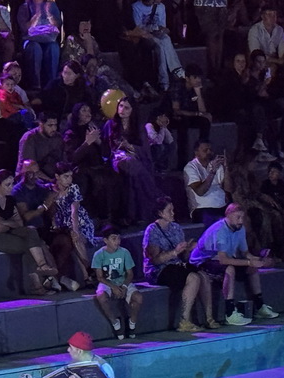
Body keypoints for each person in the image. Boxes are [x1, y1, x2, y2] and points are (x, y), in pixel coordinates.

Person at [189, 203, 278, 325]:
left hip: (221, 259)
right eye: (238, 217)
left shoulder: (240, 228)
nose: (241, 221)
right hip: (202, 262)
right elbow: (223, 260)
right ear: (228, 216)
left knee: (252, 268)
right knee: (229, 269)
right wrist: (248, 261)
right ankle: (230, 313)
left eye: (242, 217)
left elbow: (246, 253)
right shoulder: (221, 231)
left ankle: (259, 306)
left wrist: (260, 260)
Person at [0, 168, 59, 294]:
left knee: (30, 231)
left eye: (12, 184)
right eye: (7, 185)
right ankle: (36, 285)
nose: (11, 188)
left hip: (6, 231)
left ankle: (42, 267)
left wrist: (5, 222)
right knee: (29, 245)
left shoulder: (10, 199)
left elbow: (20, 223)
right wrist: (9, 224)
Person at [143, 195, 217, 332]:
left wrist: (189, 249)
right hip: (159, 270)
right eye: (169, 210)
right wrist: (174, 252)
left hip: (176, 265)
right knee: (193, 278)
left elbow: (184, 258)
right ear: (160, 213)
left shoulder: (176, 228)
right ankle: (184, 320)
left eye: (173, 210)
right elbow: (155, 260)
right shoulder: (152, 230)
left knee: (203, 276)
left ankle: (209, 317)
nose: (173, 213)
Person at [102, 96, 160, 226]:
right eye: (120, 106)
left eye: (126, 107)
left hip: (135, 156)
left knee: (135, 174)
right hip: (117, 157)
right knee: (132, 164)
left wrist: (130, 146)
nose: (122, 110)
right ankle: (155, 195)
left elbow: (145, 150)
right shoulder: (110, 124)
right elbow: (106, 146)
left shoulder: (138, 126)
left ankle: (136, 215)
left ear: (133, 110)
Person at [93, 224, 143, 339]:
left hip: (123, 281)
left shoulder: (124, 252)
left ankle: (132, 323)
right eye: (114, 239)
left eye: (119, 238)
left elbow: (130, 273)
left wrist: (124, 286)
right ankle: (115, 322)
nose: (117, 241)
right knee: (101, 296)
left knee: (139, 298)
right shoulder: (99, 255)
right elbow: (100, 277)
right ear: (106, 240)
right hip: (108, 283)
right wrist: (114, 287)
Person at [132, 0, 184, 93]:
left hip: (157, 34)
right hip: (144, 35)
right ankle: (166, 79)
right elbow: (138, 27)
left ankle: (174, 73)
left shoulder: (160, 7)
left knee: (166, 40)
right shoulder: (136, 6)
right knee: (160, 46)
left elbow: (162, 25)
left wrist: (163, 30)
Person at [183, 139, 230, 226]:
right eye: (205, 150)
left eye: (210, 150)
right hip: (202, 209)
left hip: (222, 206)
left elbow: (228, 188)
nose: (209, 152)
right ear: (196, 152)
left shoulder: (215, 164)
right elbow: (200, 191)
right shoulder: (190, 167)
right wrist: (212, 172)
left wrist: (226, 168)